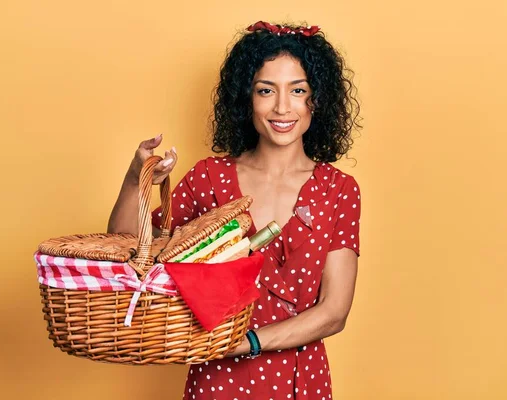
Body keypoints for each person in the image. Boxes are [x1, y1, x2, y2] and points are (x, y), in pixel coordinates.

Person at [108, 20, 362, 400]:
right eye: (265, 90)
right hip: (216, 380)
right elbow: (127, 247)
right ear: (246, 98)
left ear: (318, 100)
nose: (281, 107)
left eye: (298, 90)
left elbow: (334, 312)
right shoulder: (209, 178)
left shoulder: (339, 190)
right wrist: (134, 178)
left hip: (300, 381)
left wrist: (245, 343)